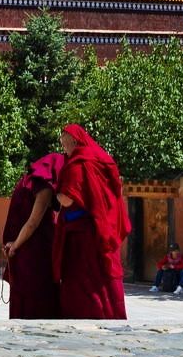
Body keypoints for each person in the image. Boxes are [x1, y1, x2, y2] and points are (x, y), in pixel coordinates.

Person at [52, 124, 130, 319]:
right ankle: (111, 313)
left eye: (64, 140)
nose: (63, 145)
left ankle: (90, 314)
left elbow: (68, 199)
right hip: (98, 227)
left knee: (84, 279)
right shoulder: (99, 158)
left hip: (81, 235)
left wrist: (57, 193)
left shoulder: (79, 164)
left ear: (74, 140)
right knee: (102, 276)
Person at [1, 152, 64, 319]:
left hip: (22, 247)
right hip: (35, 250)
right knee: (37, 298)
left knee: (23, 295)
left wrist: (13, 243)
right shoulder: (45, 187)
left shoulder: (25, 181)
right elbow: (32, 223)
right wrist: (15, 245)